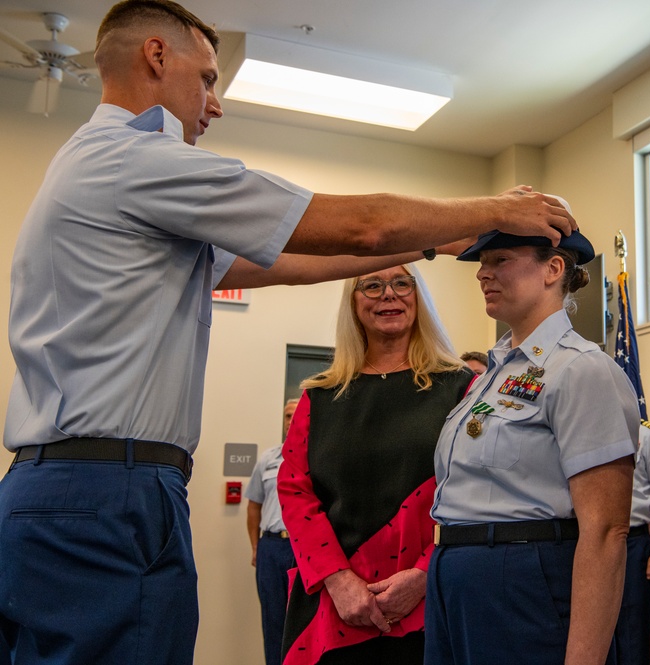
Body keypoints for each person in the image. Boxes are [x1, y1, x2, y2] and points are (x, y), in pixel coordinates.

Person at [0, 1, 575, 662]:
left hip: (90, 486)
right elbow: (363, 226)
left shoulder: (105, 176)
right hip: (105, 490)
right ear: (156, 57)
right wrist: (497, 207)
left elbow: (295, 262)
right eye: (208, 78)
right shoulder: (136, 161)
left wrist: (432, 244)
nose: (214, 104)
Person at [425, 222, 640, 665]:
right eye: (482, 264)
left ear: (553, 269)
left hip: (523, 584)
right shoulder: (492, 373)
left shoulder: (581, 370)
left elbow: (605, 532)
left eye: (500, 260)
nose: (483, 274)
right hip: (458, 584)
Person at [278, 264, 474, 665]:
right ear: (353, 302)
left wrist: (422, 575)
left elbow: (473, 490)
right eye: (371, 285)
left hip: (429, 600)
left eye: (402, 283)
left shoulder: (461, 386)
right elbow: (295, 491)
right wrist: (339, 580)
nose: (389, 294)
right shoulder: (319, 396)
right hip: (333, 604)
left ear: (418, 297)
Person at [612, 420, 650, 665]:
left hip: (634, 544)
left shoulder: (647, 436)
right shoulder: (594, 431)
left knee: (633, 630)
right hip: (593, 541)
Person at [246, 398, 301, 665]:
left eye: (296, 415)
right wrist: (256, 547)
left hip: (304, 549)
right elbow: (253, 505)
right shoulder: (267, 460)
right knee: (272, 620)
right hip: (270, 548)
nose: (291, 421)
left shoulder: (317, 458)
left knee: (303, 622)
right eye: (287, 416)